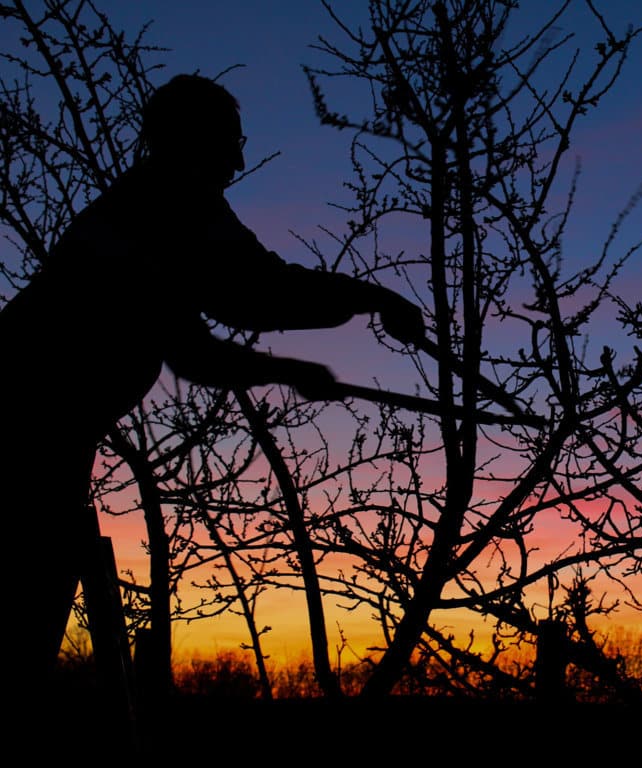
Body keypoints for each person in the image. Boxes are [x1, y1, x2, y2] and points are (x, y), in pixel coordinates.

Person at [0, 74, 424, 714]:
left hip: (42, 438)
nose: (238, 160)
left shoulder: (155, 205)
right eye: (229, 142)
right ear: (192, 140)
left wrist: (352, 316)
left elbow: (228, 308)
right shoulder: (164, 204)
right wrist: (362, 307)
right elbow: (244, 302)